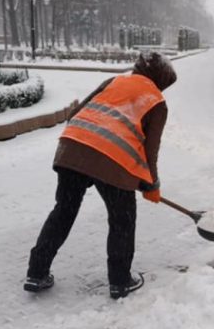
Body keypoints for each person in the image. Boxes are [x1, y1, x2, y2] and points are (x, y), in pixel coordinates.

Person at [24, 52, 177, 298]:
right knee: (122, 221)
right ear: (161, 80)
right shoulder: (156, 102)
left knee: (63, 211)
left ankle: (36, 272)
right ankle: (120, 281)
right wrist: (152, 183)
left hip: (72, 148)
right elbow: (151, 151)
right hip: (112, 161)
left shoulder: (114, 81)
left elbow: (76, 114)